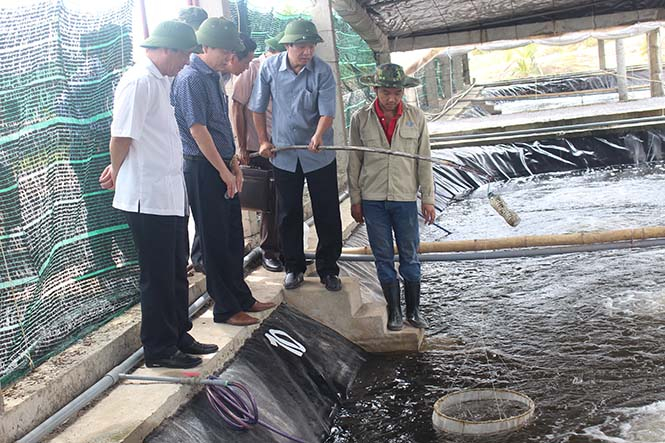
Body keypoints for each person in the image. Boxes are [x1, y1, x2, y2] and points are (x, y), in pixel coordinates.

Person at [98, 20, 218, 368]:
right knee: (158, 275)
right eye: (183, 55)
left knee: (176, 270)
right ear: (167, 50)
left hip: (169, 194)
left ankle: (180, 333)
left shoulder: (162, 80)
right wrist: (117, 169)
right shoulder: (139, 82)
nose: (185, 63)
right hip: (146, 197)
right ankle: (159, 349)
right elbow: (122, 135)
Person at [171, 17, 275, 326]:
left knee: (232, 236)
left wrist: (233, 165)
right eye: (223, 52)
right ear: (205, 47)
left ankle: (241, 296)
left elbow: (220, 128)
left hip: (222, 165)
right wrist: (223, 170)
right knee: (214, 240)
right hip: (202, 169)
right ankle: (226, 308)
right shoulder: (190, 78)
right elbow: (198, 131)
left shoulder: (214, 76)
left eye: (231, 52)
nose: (229, 58)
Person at [249, 19, 342, 292]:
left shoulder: (322, 71)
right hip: (284, 154)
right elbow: (257, 107)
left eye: (311, 46)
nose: (307, 52)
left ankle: (328, 268)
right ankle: (293, 267)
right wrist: (264, 141)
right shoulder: (269, 68)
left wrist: (318, 135)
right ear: (287, 45)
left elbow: (327, 112)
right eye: (301, 46)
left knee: (326, 210)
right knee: (288, 212)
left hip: (319, 153)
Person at [347, 63, 435, 331]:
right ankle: (394, 311)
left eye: (397, 93)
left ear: (403, 92)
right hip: (373, 200)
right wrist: (355, 199)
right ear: (375, 90)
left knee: (410, 254)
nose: (391, 98)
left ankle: (414, 310)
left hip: (405, 199)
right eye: (386, 92)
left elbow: (424, 160)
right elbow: (355, 161)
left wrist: (428, 198)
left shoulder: (416, 117)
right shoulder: (360, 119)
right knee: (383, 255)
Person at [230, 32, 285, 272]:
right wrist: (241, 146)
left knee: (285, 199)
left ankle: (286, 250)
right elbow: (237, 106)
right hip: (260, 148)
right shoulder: (252, 69)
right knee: (270, 201)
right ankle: (269, 250)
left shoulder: (286, 71)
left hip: (284, 145)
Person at [177, 6, 208, 274]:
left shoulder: (199, 67)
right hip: (184, 151)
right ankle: (186, 259)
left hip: (189, 150)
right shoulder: (184, 72)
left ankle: (198, 257)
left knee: (198, 209)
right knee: (181, 209)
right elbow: (197, 126)